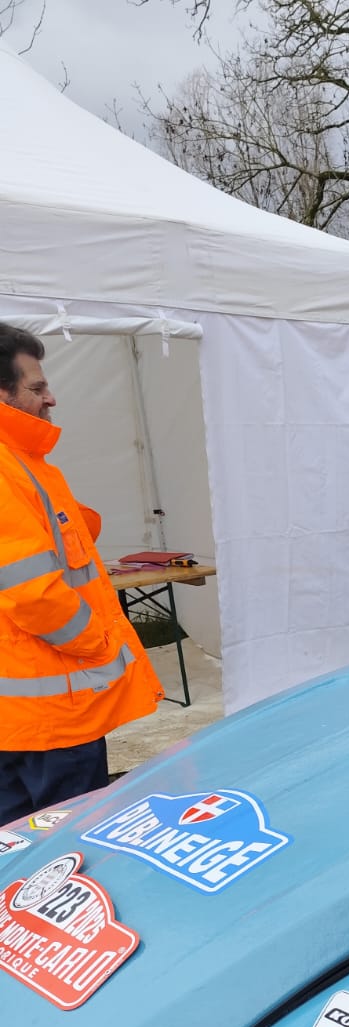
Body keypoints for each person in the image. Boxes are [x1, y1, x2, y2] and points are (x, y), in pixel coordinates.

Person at [0, 323, 162, 824]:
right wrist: (98, 643)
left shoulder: (25, 464)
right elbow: (32, 592)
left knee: (16, 847)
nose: (51, 398)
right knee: (70, 842)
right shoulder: (8, 468)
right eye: (37, 388)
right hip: (51, 716)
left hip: (22, 717)